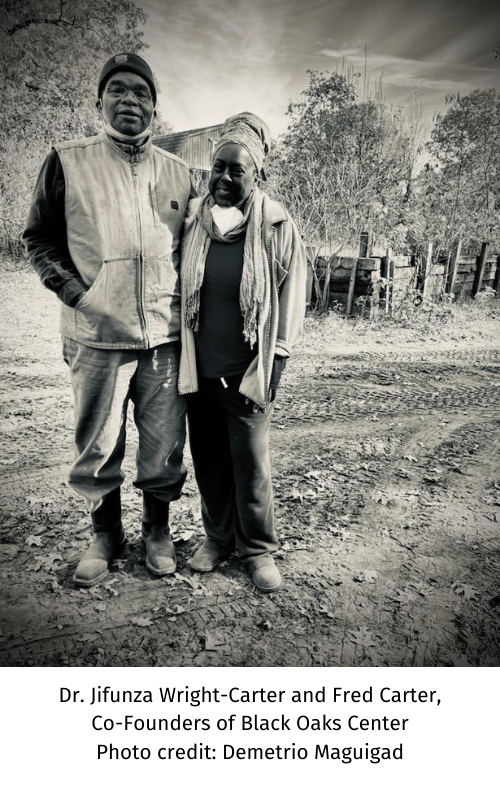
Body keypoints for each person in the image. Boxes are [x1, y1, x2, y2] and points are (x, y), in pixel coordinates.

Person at [23, 53, 195, 587]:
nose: (129, 100)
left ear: (154, 106)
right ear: (100, 100)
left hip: (163, 337)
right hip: (96, 334)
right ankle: (105, 532)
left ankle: (157, 530)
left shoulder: (180, 173)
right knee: (97, 442)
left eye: (141, 93)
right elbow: (38, 238)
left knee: (164, 441)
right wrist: (77, 294)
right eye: (118, 90)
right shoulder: (67, 161)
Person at [179, 112, 307, 593]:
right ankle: (217, 540)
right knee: (209, 461)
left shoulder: (276, 225)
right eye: (219, 167)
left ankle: (258, 550)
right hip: (201, 368)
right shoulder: (194, 222)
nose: (225, 178)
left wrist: (278, 359)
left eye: (238, 170)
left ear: (258, 176)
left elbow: (294, 295)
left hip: (248, 369)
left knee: (251, 465)